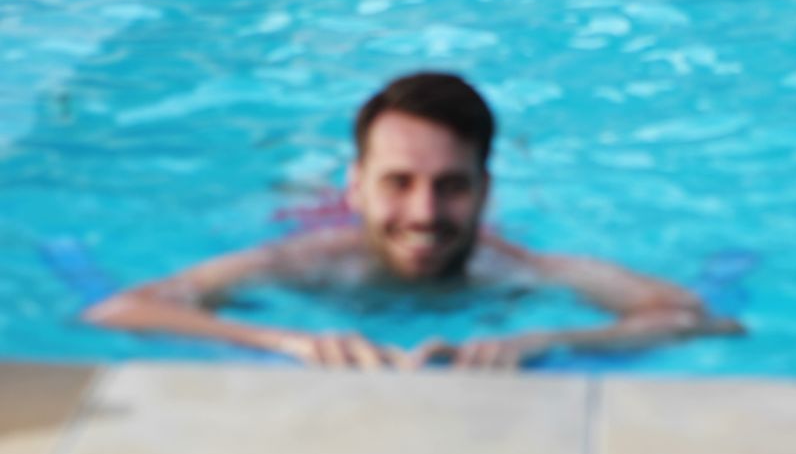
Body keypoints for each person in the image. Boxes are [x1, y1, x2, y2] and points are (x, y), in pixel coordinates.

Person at [84, 72, 744, 369]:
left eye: (451, 187)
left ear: (487, 191)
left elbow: (691, 315)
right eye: (398, 184)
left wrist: (542, 341)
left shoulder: (514, 271)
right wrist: (287, 343)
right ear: (357, 187)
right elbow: (120, 311)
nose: (425, 214)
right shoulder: (307, 265)